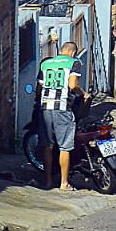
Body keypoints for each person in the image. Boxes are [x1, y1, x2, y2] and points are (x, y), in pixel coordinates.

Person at [37, 38, 83, 192]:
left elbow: (39, 88)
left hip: (45, 108)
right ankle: (64, 183)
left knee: (47, 146)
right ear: (73, 53)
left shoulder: (46, 63)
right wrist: (85, 94)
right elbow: (72, 85)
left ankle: (48, 181)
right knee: (65, 146)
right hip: (62, 107)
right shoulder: (73, 63)